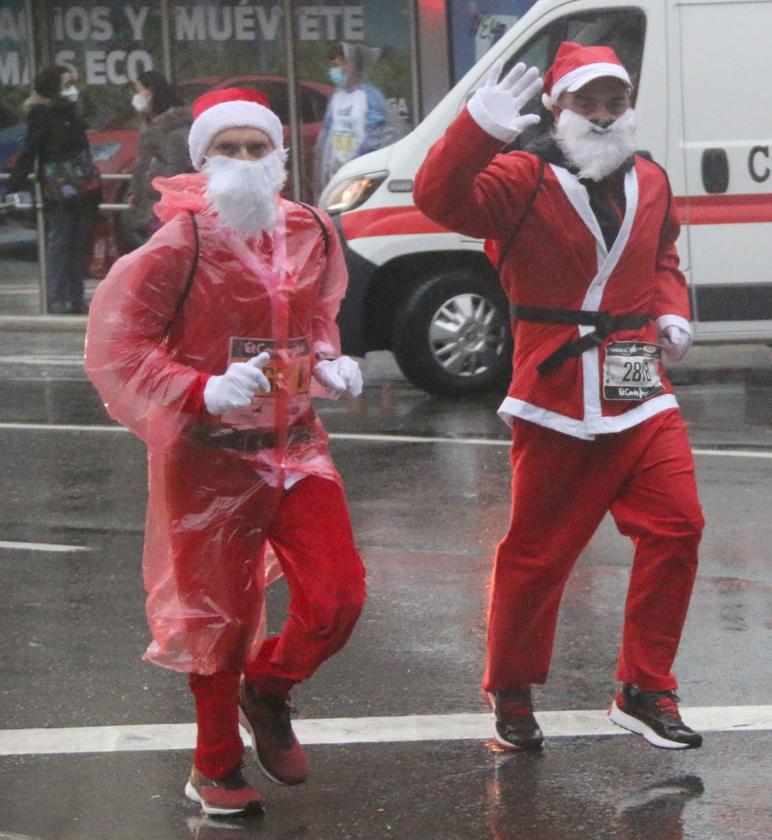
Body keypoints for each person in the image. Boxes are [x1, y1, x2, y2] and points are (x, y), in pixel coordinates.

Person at [414, 42, 705, 752]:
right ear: (557, 106)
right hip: (555, 382)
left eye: (615, 102)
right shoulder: (518, 177)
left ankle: (645, 687)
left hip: (636, 372)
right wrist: (476, 128)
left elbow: (662, 254)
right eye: (588, 101)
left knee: (678, 526)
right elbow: (438, 198)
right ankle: (511, 689)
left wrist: (671, 307)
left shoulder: (651, 178)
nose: (604, 116)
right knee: (540, 551)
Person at [84, 88, 367, 817]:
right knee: (217, 621)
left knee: (338, 596)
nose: (243, 161)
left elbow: (319, 312)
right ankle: (214, 767)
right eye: (227, 149)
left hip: (296, 449)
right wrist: (199, 387)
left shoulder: (311, 229)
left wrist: (330, 359)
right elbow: (118, 343)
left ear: (279, 157)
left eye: (256, 147)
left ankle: (268, 688)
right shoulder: (180, 244)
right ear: (201, 160)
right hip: (208, 456)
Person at [5, 64, 100, 314]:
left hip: (81, 186)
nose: (72, 90)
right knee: (60, 241)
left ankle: (76, 296)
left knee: (78, 243)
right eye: (66, 85)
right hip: (58, 188)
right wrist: (15, 181)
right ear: (53, 87)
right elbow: (31, 149)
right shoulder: (42, 114)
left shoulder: (71, 113)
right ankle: (58, 297)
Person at [120, 69, 194, 253]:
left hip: (162, 199)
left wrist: (158, 191)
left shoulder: (171, 126)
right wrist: (134, 190)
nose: (137, 96)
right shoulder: (152, 123)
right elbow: (143, 161)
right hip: (151, 197)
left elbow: (173, 164)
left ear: (151, 91)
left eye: (139, 90)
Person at [313, 41, 395, 197]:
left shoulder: (369, 96)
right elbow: (327, 136)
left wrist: (361, 162)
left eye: (337, 65)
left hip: (361, 174)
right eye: (332, 66)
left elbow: (378, 136)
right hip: (336, 173)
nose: (334, 71)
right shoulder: (337, 97)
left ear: (351, 65)